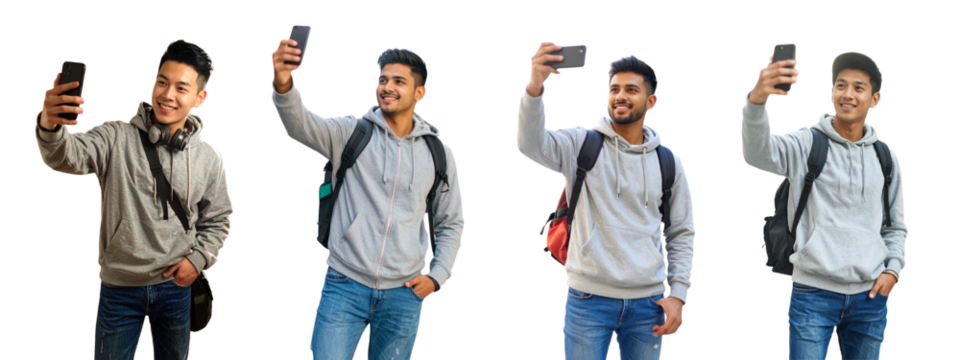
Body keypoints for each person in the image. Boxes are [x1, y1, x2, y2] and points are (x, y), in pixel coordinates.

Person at [34, 39, 234, 360]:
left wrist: (198, 260)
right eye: (162, 82)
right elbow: (63, 156)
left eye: (181, 88)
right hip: (119, 288)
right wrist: (49, 123)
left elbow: (220, 219)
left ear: (201, 97)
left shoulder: (210, 157)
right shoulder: (115, 136)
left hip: (176, 288)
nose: (167, 95)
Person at [269, 40, 465, 360]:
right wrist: (283, 82)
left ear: (420, 93)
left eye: (399, 81)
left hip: (405, 295)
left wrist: (437, 276)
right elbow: (299, 125)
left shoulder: (440, 154)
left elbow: (450, 220)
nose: (387, 87)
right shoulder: (351, 132)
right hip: (344, 285)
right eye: (383, 79)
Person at [516, 41, 697, 359]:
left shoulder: (670, 162)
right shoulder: (581, 143)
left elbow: (681, 232)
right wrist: (535, 87)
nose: (620, 96)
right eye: (614, 89)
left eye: (631, 89)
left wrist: (678, 295)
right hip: (588, 300)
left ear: (651, 101)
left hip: (649, 304)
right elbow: (529, 144)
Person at [740, 45, 908, 359]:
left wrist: (893, 271)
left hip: (871, 297)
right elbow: (756, 154)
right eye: (841, 85)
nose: (848, 94)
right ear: (831, 93)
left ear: (875, 99)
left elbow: (896, 226)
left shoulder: (886, 157)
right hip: (813, 295)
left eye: (859, 88)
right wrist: (757, 99)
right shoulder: (807, 142)